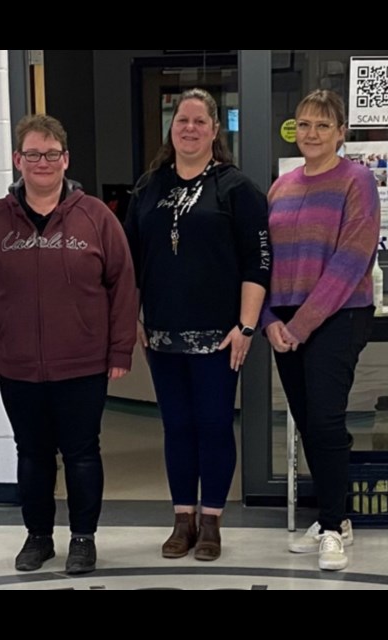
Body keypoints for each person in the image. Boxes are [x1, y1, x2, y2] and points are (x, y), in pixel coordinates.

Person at [0, 114, 136, 576]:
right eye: (32, 154)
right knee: (32, 453)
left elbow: (123, 286)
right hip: (17, 364)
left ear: (66, 160)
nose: (41, 163)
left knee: (83, 454)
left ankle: (83, 538)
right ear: (17, 160)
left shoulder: (96, 216)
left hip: (82, 364)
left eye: (51, 154)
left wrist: (119, 350)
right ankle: (38, 536)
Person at [123, 88, 270, 561]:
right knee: (177, 428)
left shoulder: (236, 188)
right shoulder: (148, 188)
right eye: (181, 120)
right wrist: (133, 319)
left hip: (219, 338)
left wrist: (246, 327)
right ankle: (181, 519)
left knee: (213, 426)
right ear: (171, 127)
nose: (189, 128)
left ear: (214, 129)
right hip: (163, 335)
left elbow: (258, 262)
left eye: (199, 121)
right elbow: (130, 261)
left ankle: (211, 523)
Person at [262, 89, 381, 571]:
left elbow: (353, 258)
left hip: (339, 314)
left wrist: (304, 323)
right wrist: (271, 320)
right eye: (303, 125)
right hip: (284, 321)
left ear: (341, 132)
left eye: (322, 126)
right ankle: (338, 515)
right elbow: (264, 260)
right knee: (309, 420)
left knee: (328, 422)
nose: (311, 134)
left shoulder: (358, 181)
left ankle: (332, 526)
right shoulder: (281, 186)